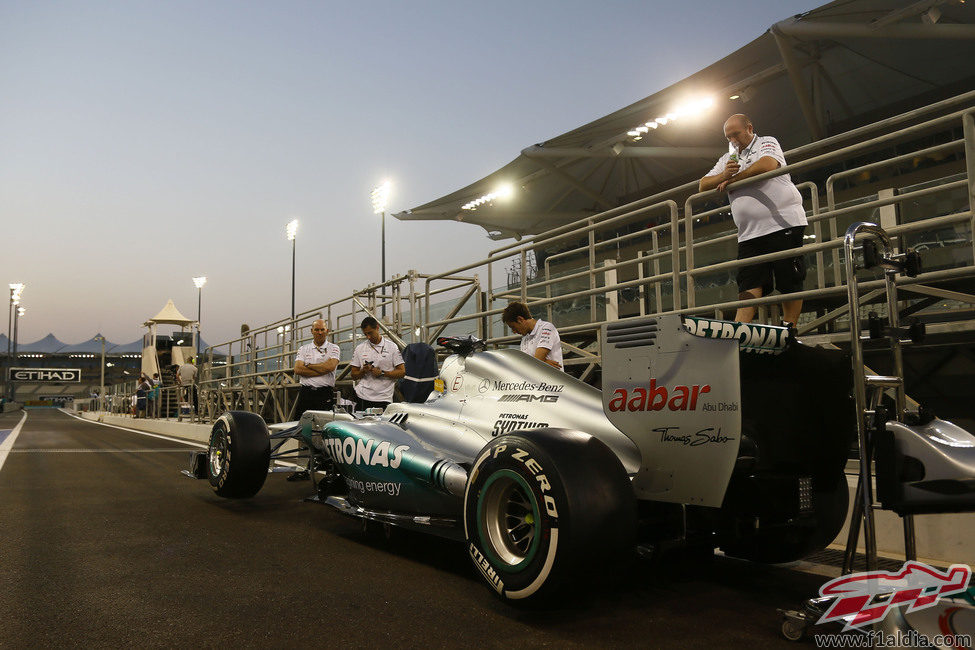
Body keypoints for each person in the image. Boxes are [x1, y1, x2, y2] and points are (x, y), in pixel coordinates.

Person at [699, 113, 808, 328]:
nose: (733, 140)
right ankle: (741, 332)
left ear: (749, 128)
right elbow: (702, 185)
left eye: (736, 134)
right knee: (749, 283)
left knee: (789, 280)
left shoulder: (766, 142)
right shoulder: (728, 159)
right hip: (749, 233)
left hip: (782, 223)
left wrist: (733, 179)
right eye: (728, 137)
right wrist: (723, 176)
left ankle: (790, 330)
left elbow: (767, 166)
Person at [288, 319, 341, 481]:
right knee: (302, 432)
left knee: (325, 432)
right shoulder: (304, 348)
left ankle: (327, 470)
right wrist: (320, 368)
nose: (319, 332)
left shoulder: (334, 348)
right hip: (306, 394)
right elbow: (297, 369)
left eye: (322, 330)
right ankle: (302, 468)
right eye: (316, 330)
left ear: (327, 331)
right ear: (311, 331)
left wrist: (309, 366)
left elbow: (330, 367)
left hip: (324, 394)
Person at [349, 317, 405, 411]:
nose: (368, 337)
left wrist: (383, 373)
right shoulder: (360, 348)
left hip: (384, 398)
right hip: (362, 397)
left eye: (370, 333)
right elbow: (353, 375)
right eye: (365, 334)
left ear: (377, 328)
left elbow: (402, 372)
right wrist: (363, 371)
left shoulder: (392, 347)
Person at [501, 302, 564, 371]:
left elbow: (536, 360)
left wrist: (538, 361)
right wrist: (544, 363)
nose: (514, 331)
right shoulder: (524, 338)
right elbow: (529, 364)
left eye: (513, 327)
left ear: (520, 319)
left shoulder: (547, 328)